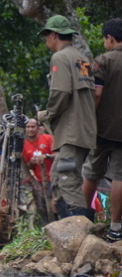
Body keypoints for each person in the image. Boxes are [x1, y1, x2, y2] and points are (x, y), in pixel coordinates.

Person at [37, 15, 97, 221]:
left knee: (67, 179)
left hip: (71, 132)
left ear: (54, 35)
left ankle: (82, 230)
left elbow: (60, 93)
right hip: (84, 130)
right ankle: (66, 229)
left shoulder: (60, 58)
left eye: (46, 35)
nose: (46, 40)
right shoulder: (82, 58)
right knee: (57, 178)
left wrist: (47, 115)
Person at [83, 18, 122, 242]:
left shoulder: (102, 61)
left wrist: (90, 121)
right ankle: (115, 227)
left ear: (110, 38)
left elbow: (96, 94)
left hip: (102, 129)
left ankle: (84, 218)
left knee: (91, 172)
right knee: (119, 176)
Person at [22, 118, 55, 224]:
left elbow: (58, 155)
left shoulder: (47, 138)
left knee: (56, 207)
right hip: (40, 182)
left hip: (54, 179)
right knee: (43, 209)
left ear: (38, 128)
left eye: (33, 127)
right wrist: (31, 162)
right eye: (28, 127)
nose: (30, 129)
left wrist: (46, 156)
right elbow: (27, 166)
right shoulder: (24, 145)